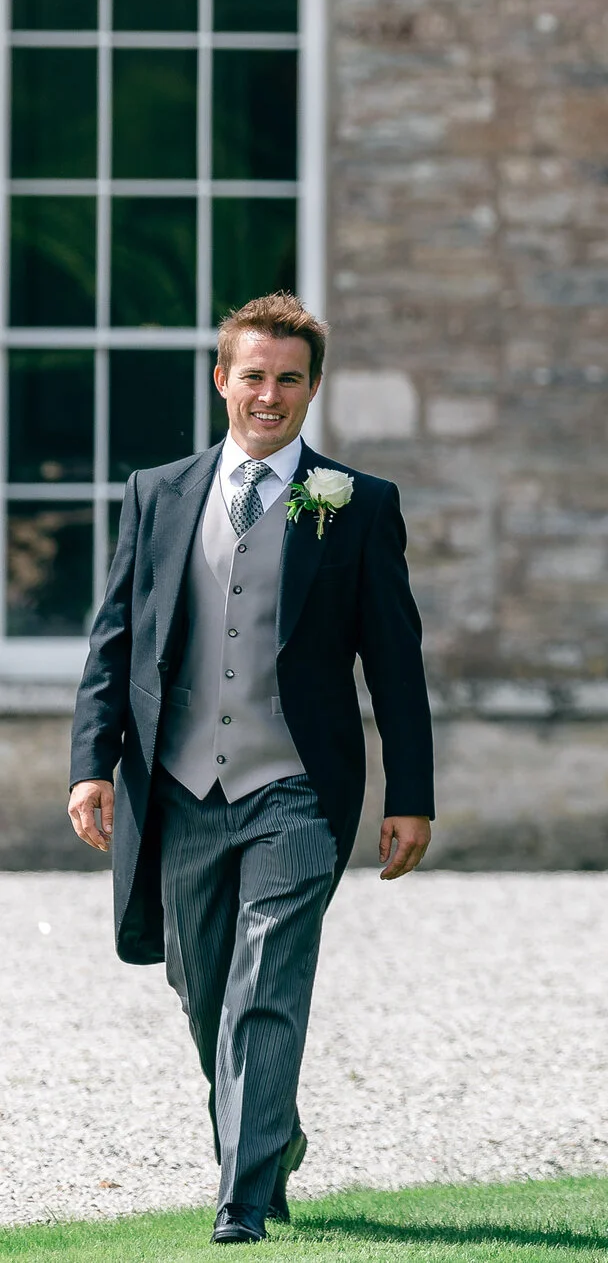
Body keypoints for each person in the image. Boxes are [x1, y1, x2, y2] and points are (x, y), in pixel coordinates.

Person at [65, 293, 433, 1245]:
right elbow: (116, 642)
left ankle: (244, 1194)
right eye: (254, 375)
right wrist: (90, 765)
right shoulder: (157, 492)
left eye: (290, 379)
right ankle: (267, 1130)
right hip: (177, 784)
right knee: (201, 983)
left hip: (295, 787)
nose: (269, 395)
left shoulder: (359, 503)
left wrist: (411, 796)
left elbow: (395, 661)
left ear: (312, 388)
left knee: (267, 980)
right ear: (222, 378)